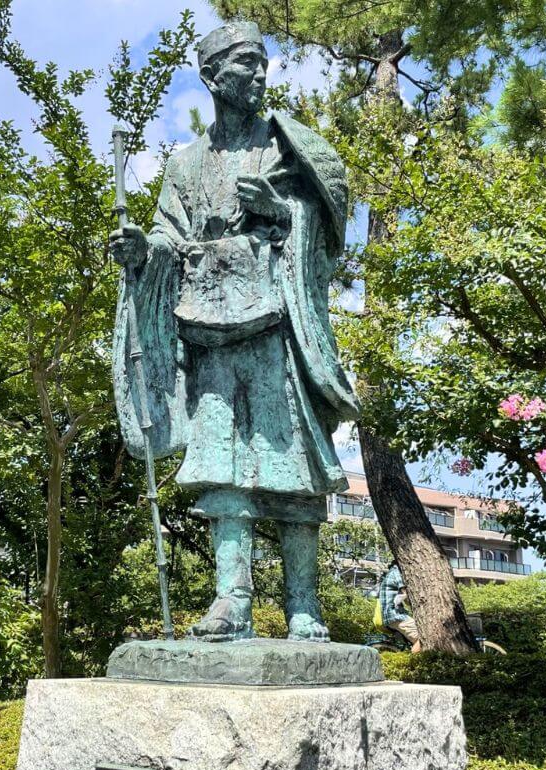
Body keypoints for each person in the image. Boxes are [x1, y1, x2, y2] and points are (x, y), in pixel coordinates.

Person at [110, 21, 358, 643]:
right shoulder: (186, 163)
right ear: (213, 77)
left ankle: (304, 603)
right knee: (219, 462)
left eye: (262, 63)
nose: (258, 74)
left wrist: (281, 211)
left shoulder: (288, 148)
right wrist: (145, 248)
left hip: (275, 325)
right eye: (246, 64)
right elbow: (170, 232)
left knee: (290, 461)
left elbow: (327, 229)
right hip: (208, 325)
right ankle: (232, 599)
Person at [378, 564, 421, 653]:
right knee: (423, 637)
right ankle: (412, 665)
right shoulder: (396, 571)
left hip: (392, 616)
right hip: (396, 616)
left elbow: (405, 600)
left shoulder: (391, 573)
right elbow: (403, 590)